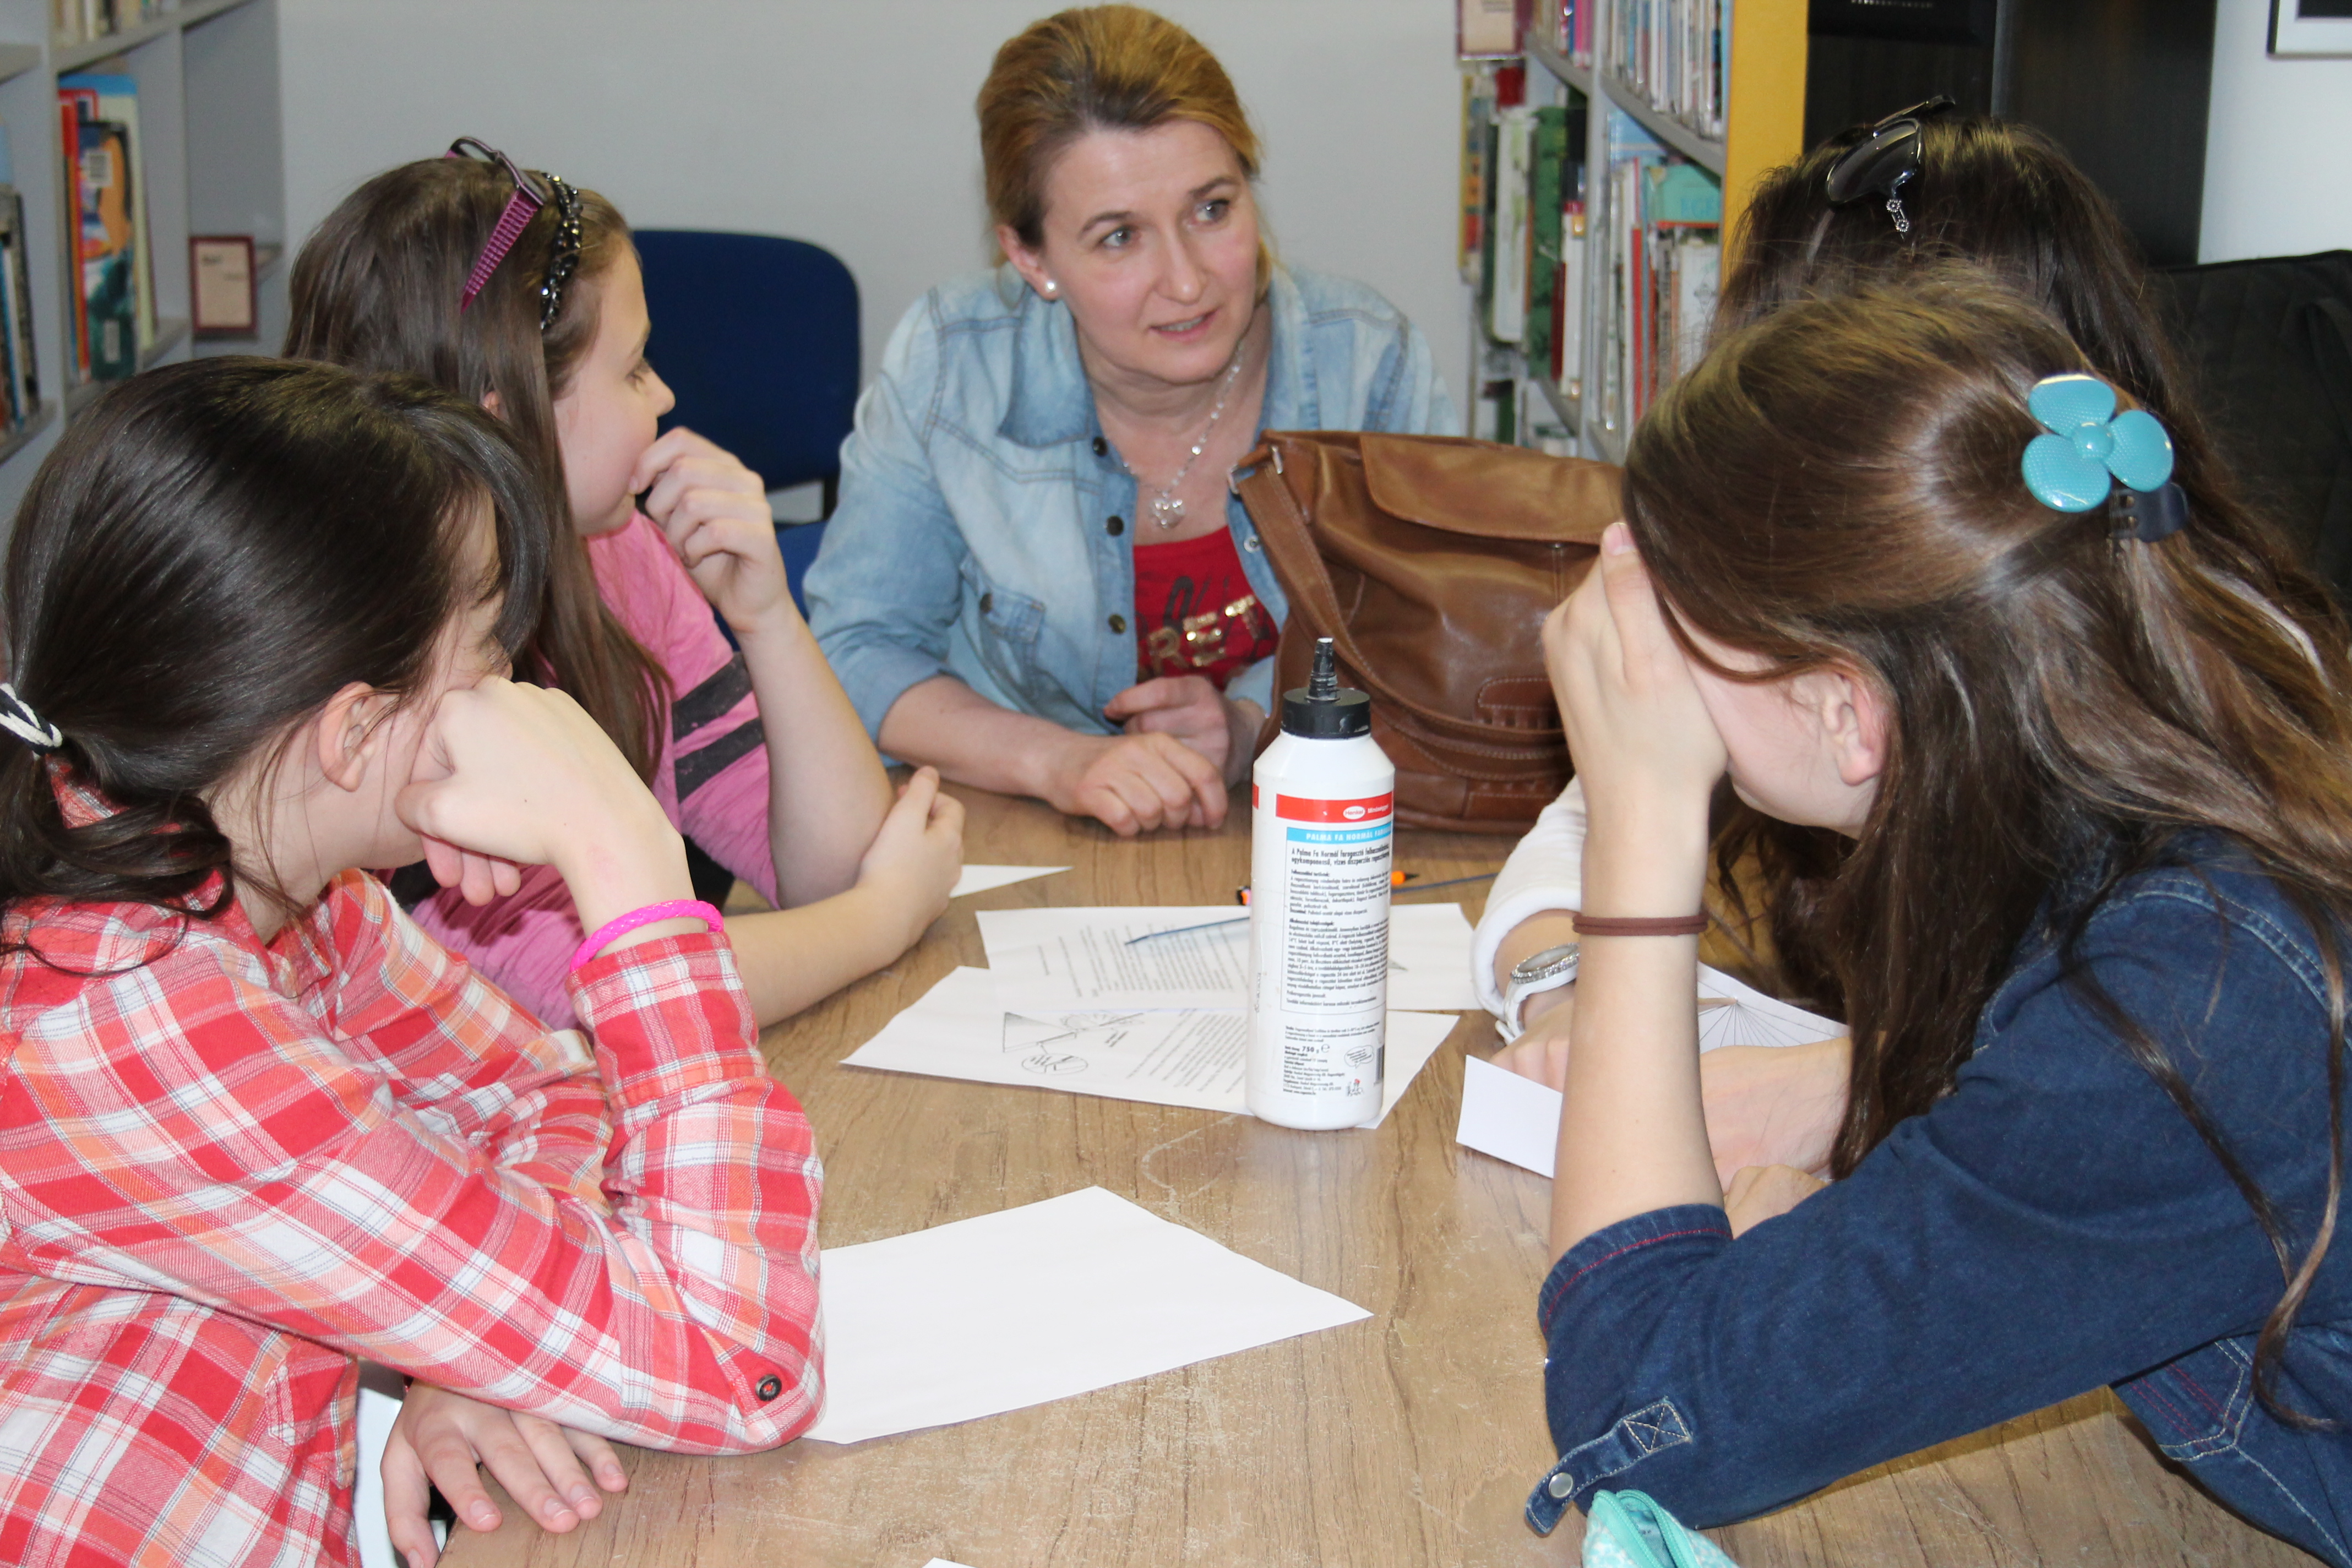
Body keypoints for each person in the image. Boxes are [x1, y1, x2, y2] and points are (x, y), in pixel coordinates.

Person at [1523, 274, 2352, 1564]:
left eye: (1671, 621)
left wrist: (1638, 823)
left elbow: (1643, 1413)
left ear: (1848, 710)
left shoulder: (2184, 1008)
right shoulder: (2212, 764)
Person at [0, 358, 822, 1567]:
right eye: (489, 655)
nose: (516, 694)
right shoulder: (135, 1013)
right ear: (355, 729)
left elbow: (553, 1087)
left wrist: (476, 1337)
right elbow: (739, 1360)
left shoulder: (276, 886)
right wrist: (629, 865)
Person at [1472, 111, 2312, 1108]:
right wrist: (1574, 993)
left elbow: (2108, 1060)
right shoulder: (1841, 652)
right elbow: (1586, 826)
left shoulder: (2203, 742)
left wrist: (1821, 1089)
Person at [287, 140, 962, 1031]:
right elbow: (598, 995)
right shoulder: (404, 680)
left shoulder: (618, 554)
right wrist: (883, 918)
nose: (666, 395)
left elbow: (832, 868)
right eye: (636, 366)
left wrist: (767, 619)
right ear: (511, 416)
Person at [805, 4, 1458, 838]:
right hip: (1013, 824)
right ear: (1031, 258)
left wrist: (1251, 722)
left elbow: (1428, 637)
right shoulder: (952, 365)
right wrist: (1059, 761)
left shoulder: (1367, 363)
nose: (1186, 281)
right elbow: (858, 646)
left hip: (1308, 826)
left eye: (1212, 210)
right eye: (1119, 237)